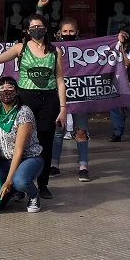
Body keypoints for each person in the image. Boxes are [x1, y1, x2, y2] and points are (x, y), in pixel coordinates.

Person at [0, 14, 66, 199]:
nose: (37, 29)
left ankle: (43, 185)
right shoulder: (20, 48)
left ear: (46, 27)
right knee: (20, 141)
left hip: (49, 100)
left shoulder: (55, 51)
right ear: (27, 31)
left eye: (40, 26)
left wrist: (63, 108)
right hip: (26, 97)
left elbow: (60, 80)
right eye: (33, 27)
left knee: (45, 142)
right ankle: (19, 184)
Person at [0, 76, 44, 213]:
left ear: (17, 91)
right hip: (4, 160)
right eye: (1, 88)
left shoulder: (24, 113)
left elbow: (18, 151)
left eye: (10, 88)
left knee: (20, 180)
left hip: (28, 158)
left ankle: (33, 195)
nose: (5, 91)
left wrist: (8, 182)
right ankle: (13, 189)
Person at [48, 17, 91, 182]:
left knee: (80, 131)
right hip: (60, 95)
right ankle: (54, 165)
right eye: (65, 31)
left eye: (71, 31)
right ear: (59, 33)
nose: (68, 34)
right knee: (58, 131)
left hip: (79, 94)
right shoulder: (52, 49)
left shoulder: (86, 48)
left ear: (77, 32)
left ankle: (83, 166)